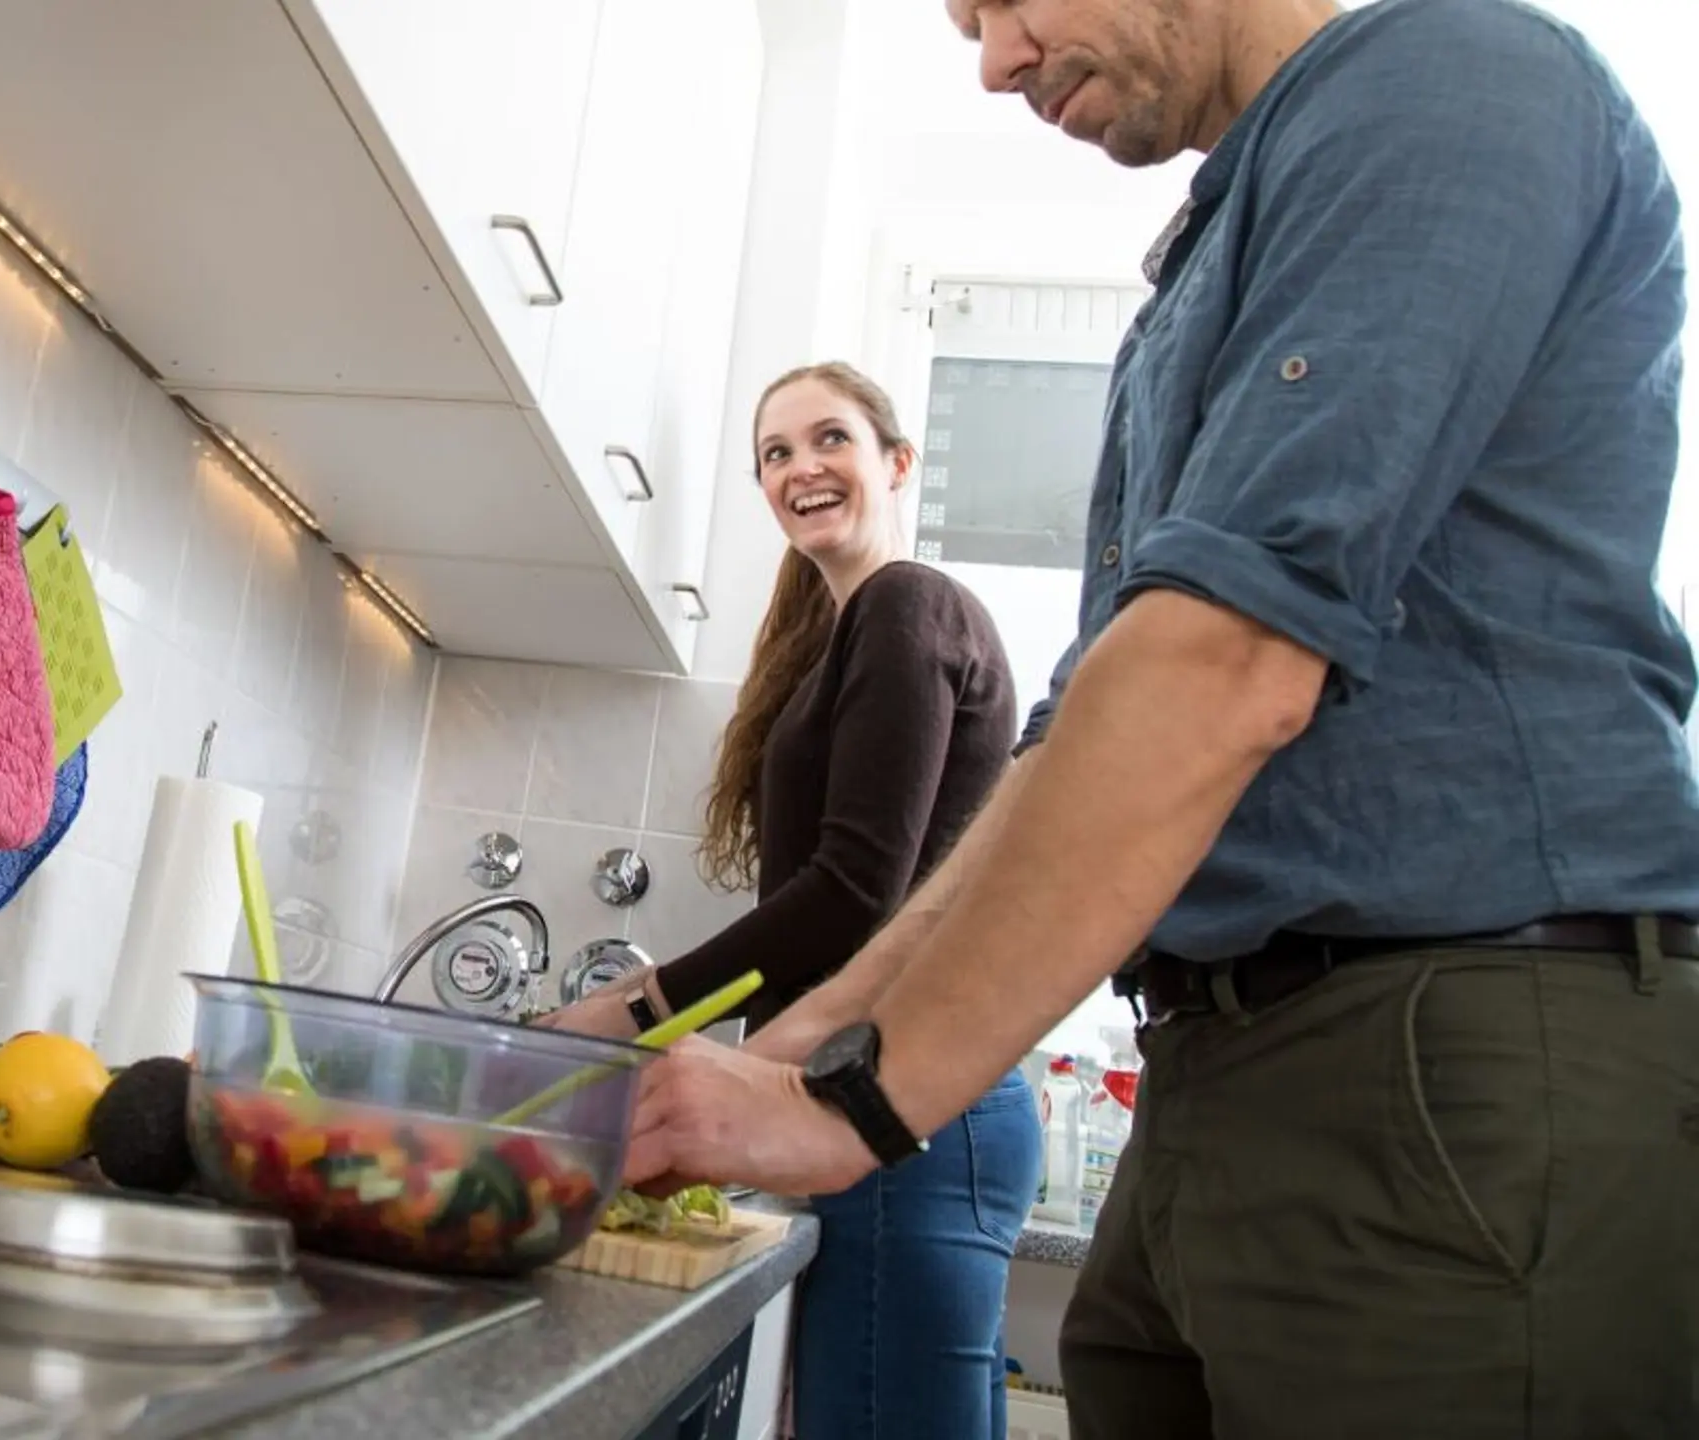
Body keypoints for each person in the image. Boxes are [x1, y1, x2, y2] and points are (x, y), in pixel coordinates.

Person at [615, 1, 1699, 1437]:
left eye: (999, 3)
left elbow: (1229, 664)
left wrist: (855, 1107)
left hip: (1456, 1051)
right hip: (1217, 1063)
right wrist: (796, 1048)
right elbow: (1076, 743)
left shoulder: (1448, 76)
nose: (994, 60)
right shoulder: (1210, 258)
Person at [542, 361, 1039, 1439]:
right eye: (775, 453)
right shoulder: (843, 640)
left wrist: (627, 1011)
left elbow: (851, 896)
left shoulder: (910, 604)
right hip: (890, 1093)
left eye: (830, 440)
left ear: (896, 462)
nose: (800, 467)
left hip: (911, 1096)